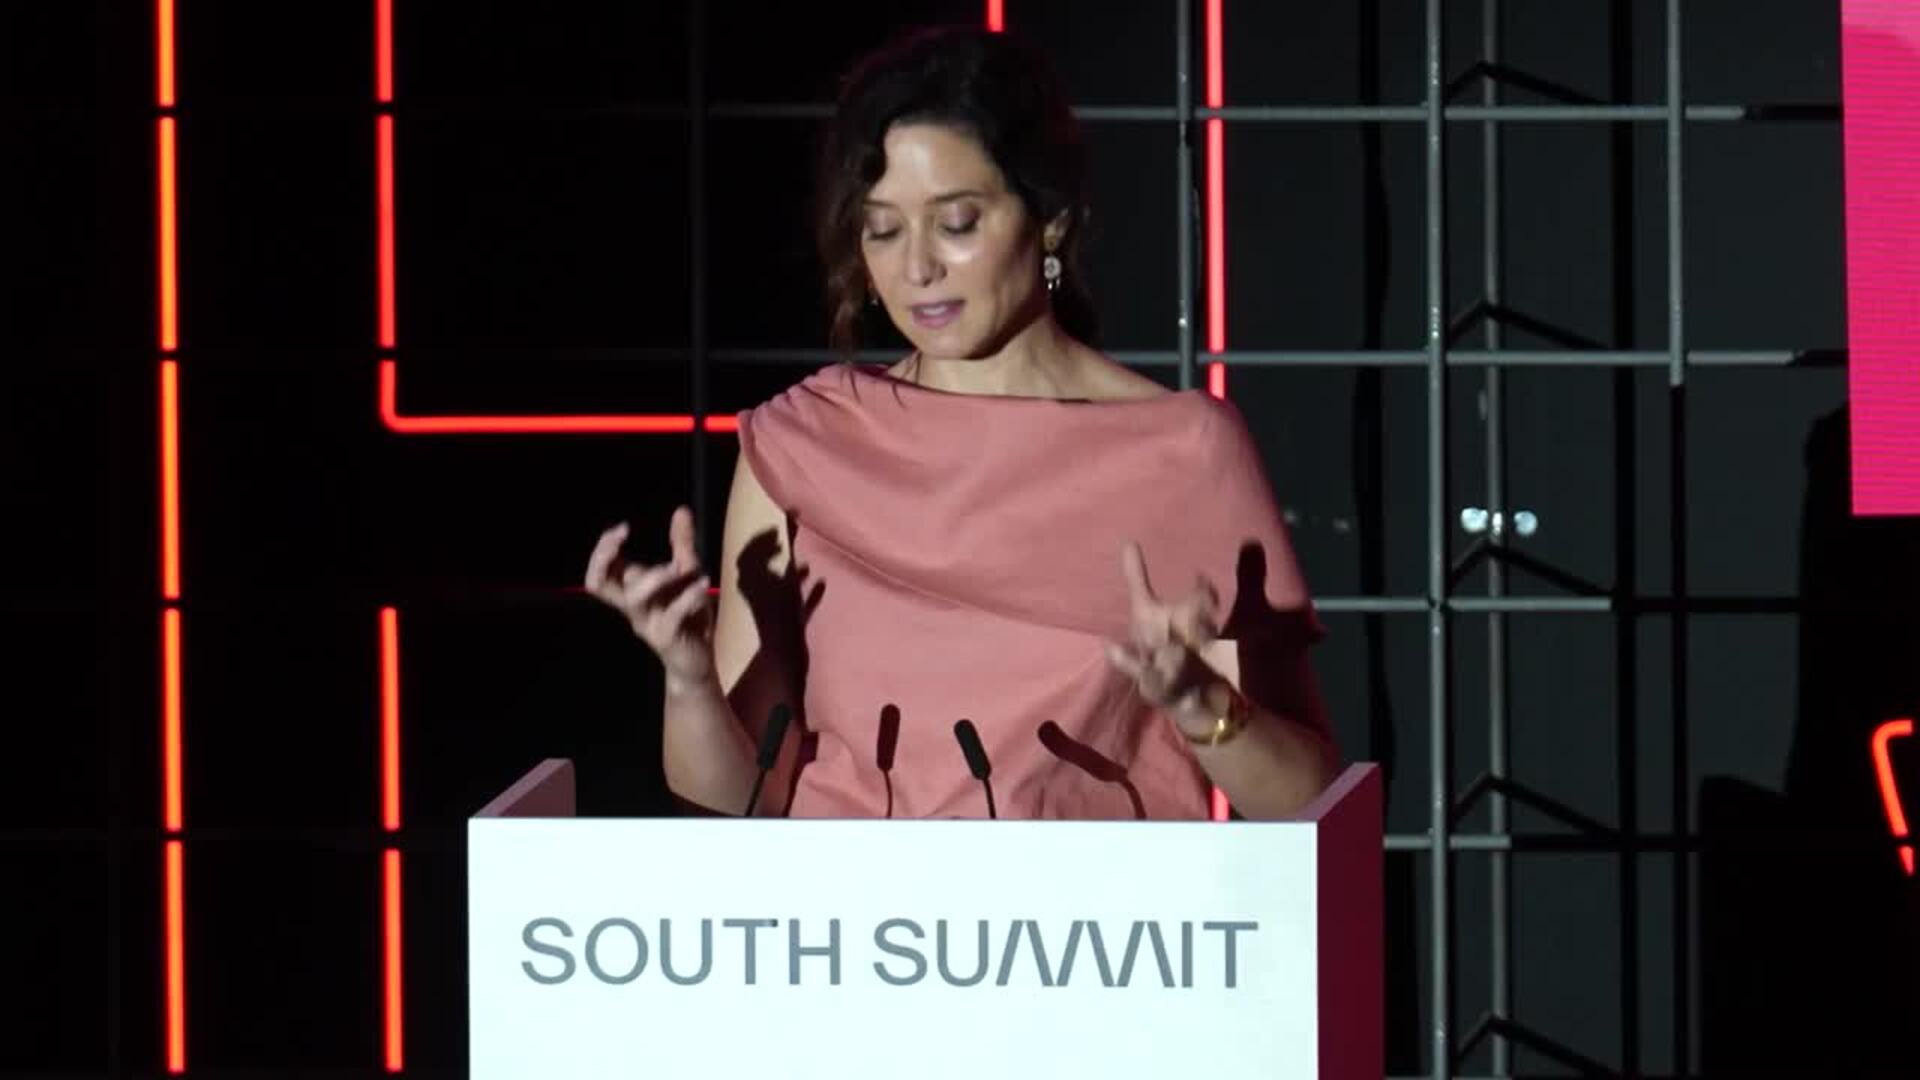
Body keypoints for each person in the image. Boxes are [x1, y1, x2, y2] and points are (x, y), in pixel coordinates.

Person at [584, 26, 1335, 820]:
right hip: (844, 898)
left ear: (1051, 219)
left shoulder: (1181, 450)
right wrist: (689, 679)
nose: (917, 268)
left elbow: (1310, 799)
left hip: (1090, 903)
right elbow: (744, 794)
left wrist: (1200, 705)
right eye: (883, 229)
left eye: (958, 223)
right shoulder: (802, 444)